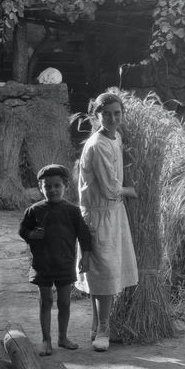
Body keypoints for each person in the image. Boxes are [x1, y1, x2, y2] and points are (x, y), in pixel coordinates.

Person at [76, 92, 138, 352]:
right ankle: (104, 328)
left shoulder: (116, 138)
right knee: (104, 272)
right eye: (107, 114)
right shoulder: (97, 145)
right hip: (99, 214)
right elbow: (111, 188)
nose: (113, 119)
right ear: (96, 115)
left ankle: (95, 325)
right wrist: (130, 191)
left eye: (117, 113)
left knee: (101, 272)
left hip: (113, 213)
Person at [19, 164, 92, 356]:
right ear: (40, 187)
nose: (52, 190)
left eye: (57, 186)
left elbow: (84, 235)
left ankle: (63, 337)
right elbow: (23, 230)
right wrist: (32, 235)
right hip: (42, 264)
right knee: (46, 301)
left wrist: (85, 256)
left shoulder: (72, 211)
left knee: (65, 302)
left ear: (65, 186)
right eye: (47, 186)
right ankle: (46, 340)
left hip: (64, 263)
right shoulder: (34, 210)